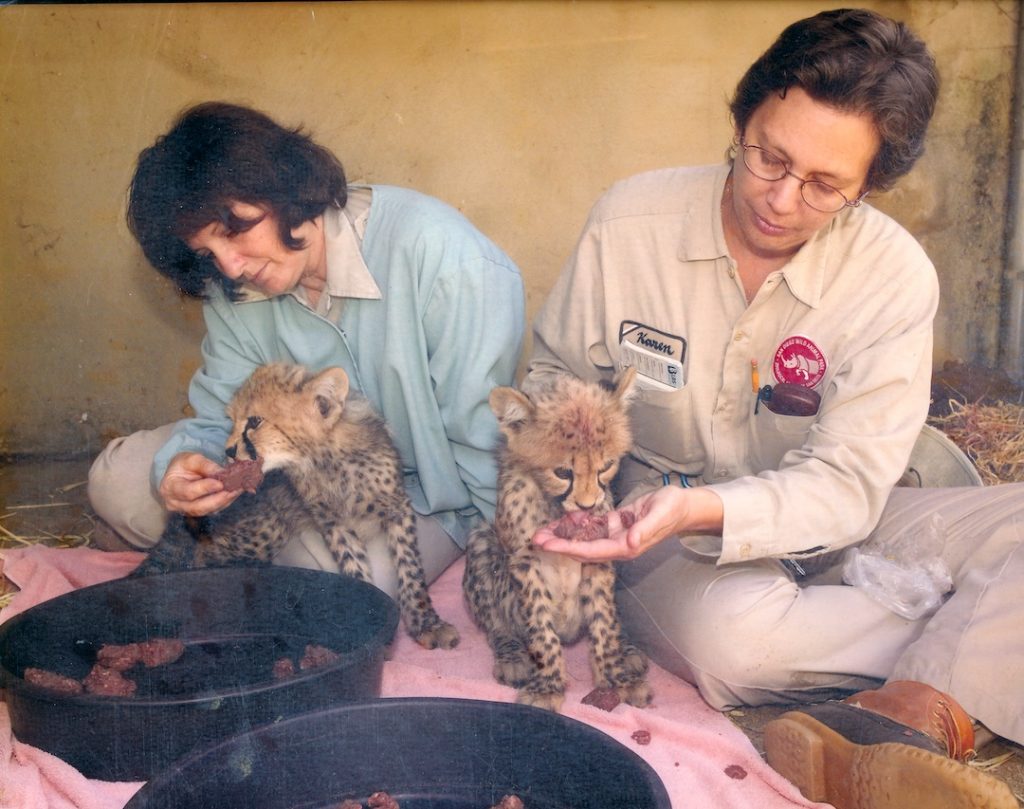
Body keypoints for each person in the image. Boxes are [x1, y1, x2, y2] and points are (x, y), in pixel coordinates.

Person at [527, 8, 1022, 808]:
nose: (782, 200)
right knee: (734, 642)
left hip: (851, 513)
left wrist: (721, 504)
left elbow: (851, 481)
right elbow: (555, 376)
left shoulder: (896, 274)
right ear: (741, 118)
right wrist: (583, 488)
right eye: (768, 157)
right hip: (661, 525)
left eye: (826, 186)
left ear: (870, 188)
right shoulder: (628, 225)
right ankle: (978, 641)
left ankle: (909, 714)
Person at [88, 101, 525, 598]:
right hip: (286, 474)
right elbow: (218, 417)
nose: (230, 267)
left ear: (287, 187)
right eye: (208, 253)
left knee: (341, 581)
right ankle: (236, 554)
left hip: (416, 494)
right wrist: (184, 464)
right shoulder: (233, 287)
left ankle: (238, 559)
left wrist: (519, 556)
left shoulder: (447, 260)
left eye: (236, 230)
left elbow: (483, 443)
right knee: (117, 482)